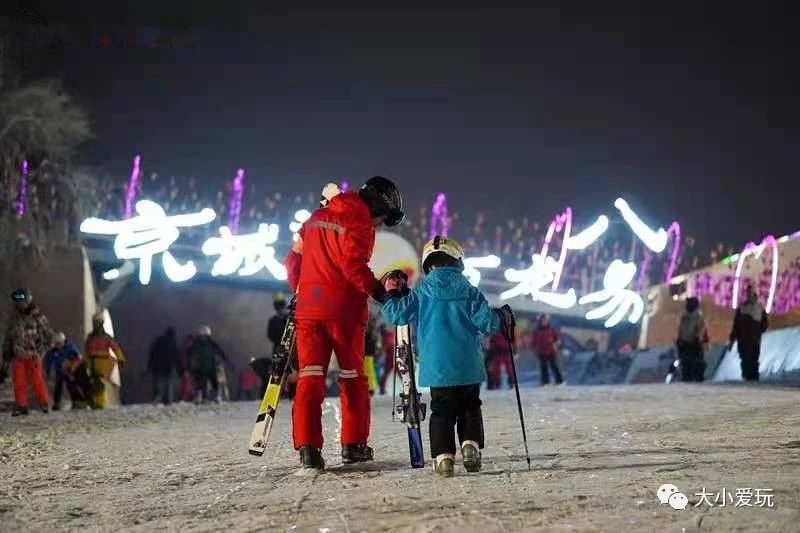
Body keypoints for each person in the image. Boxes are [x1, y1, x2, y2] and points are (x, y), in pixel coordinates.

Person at [284, 176, 404, 469]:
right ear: (377, 206)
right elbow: (354, 266)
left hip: (309, 311)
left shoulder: (315, 217)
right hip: (344, 312)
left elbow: (292, 260)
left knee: (310, 378)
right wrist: (380, 293)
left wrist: (301, 291)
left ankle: (309, 449)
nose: (377, 225)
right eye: (381, 219)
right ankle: (353, 445)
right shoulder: (359, 220)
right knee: (352, 379)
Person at [381, 236, 514, 477]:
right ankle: (471, 445)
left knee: (441, 411)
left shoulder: (421, 290)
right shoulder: (469, 290)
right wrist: (501, 316)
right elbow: (487, 324)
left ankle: (443, 459)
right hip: (468, 367)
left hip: (437, 369)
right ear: (458, 261)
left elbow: (397, 316)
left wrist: (391, 293)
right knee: (470, 408)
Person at [3, 289, 53, 416]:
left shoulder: (38, 316)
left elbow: (48, 335)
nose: (20, 304)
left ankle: (44, 403)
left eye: (22, 301)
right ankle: (21, 405)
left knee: (36, 379)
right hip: (18, 353)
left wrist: (41, 350)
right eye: (17, 302)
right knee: (18, 380)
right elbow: (9, 336)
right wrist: (6, 351)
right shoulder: (14, 317)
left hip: (33, 354)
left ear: (28, 300)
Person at [84, 313, 126, 409]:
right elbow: (87, 351)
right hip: (92, 362)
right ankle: (94, 401)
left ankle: (100, 402)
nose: (97, 325)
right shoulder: (90, 337)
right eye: (95, 322)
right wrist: (85, 362)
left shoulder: (106, 337)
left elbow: (115, 348)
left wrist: (120, 358)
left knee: (100, 381)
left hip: (103, 362)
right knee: (94, 382)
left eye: (98, 322)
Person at [729, 285, 769, 381]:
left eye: (751, 294)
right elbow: (736, 325)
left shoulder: (759, 309)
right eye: (748, 293)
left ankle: (753, 376)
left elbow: (765, 324)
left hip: (754, 339)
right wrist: (732, 339)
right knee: (744, 359)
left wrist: (757, 331)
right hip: (743, 339)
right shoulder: (742, 308)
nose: (749, 295)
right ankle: (747, 375)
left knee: (753, 359)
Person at [45, 332, 87, 410]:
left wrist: (73, 369)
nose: (59, 346)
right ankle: (57, 403)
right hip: (59, 371)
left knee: (71, 385)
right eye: (57, 344)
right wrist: (48, 371)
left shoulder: (70, 347)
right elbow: (49, 361)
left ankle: (77, 401)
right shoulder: (53, 351)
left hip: (69, 371)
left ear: (63, 341)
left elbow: (77, 358)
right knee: (58, 386)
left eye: (60, 343)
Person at [188, 325, 227, 403]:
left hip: (211, 367)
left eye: (205, 336)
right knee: (201, 383)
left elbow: (220, 352)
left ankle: (216, 397)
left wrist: (223, 359)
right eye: (202, 336)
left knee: (213, 383)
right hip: (201, 367)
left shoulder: (211, 344)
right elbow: (190, 353)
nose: (203, 338)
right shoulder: (197, 344)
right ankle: (201, 397)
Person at [676, 297, 709, 382]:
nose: (687, 306)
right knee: (686, 366)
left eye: (689, 304)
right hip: (685, 345)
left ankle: (697, 380)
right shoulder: (684, 317)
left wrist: (698, 340)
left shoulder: (698, 317)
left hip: (694, 345)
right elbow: (681, 330)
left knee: (697, 365)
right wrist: (679, 340)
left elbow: (702, 331)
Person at [147, 327, 179, 405]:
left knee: (158, 383)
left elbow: (152, 354)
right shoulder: (173, 342)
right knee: (168, 384)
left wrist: (150, 366)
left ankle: (157, 398)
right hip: (169, 367)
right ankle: (168, 400)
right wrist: (179, 368)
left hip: (157, 366)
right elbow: (176, 356)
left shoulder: (158, 341)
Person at [532, 313, 564, 386]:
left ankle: (559, 381)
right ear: (540, 321)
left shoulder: (551, 329)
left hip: (551, 351)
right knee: (544, 367)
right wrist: (534, 349)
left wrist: (558, 345)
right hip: (541, 352)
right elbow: (534, 341)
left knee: (554, 366)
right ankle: (545, 382)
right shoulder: (537, 331)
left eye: (545, 320)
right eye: (542, 320)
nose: (544, 321)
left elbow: (557, 339)